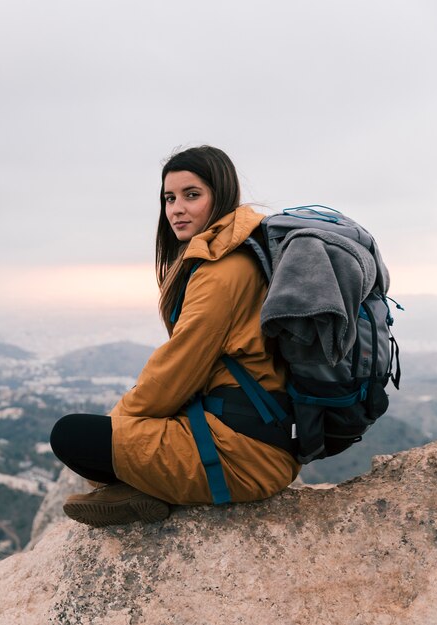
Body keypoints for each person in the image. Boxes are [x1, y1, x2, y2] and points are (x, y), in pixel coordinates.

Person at [50, 145, 300, 527]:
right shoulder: (238, 253)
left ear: (221, 196)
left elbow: (178, 369)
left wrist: (119, 424)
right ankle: (139, 491)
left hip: (245, 452)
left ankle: (143, 488)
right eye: (169, 198)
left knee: (73, 437)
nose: (176, 208)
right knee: (104, 445)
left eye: (192, 195)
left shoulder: (223, 270)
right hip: (252, 434)